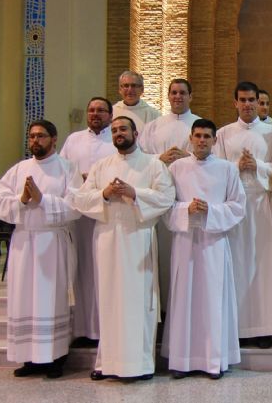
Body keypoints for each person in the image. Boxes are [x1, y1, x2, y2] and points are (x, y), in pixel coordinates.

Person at [73, 116, 175, 381]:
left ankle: (140, 364)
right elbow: (81, 199)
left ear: (136, 133)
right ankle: (107, 363)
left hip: (138, 238)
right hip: (107, 239)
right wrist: (104, 194)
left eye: (123, 129)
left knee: (138, 301)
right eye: (115, 130)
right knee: (109, 300)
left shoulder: (153, 165)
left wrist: (134, 193)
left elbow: (166, 197)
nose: (119, 133)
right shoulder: (101, 166)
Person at [0, 120, 82, 379]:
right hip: (24, 242)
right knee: (24, 299)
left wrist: (43, 201)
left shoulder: (67, 168)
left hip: (52, 242)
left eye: (41, 136)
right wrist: (21, 200)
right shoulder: (19, 169)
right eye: (31, 136)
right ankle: (29, 357)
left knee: (51, 299)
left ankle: (55, 358)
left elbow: (76, 205)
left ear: (54, 139)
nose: (35, 141)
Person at [161, 119, 246, 380]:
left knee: (213, 298)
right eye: (197, 136)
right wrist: (186, 209)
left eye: (207, 136)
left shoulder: (227, 169)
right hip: (186, 241)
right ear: (190, 138)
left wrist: (211, 210)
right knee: (184, 297)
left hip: (214, 243)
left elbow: (238, 206)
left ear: (214, 140)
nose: (201, 140)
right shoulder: (176, 168)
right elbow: (165, 205)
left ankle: (213, 360)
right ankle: (182, 361)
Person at [213, 81, 272, 349]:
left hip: (261, 203)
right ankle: (234, 325)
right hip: (234, 207)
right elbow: (215, 168)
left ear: (259, 102)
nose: (247, 104)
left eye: (251, 100)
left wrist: (257, 165)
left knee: (262, 264)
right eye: (242, 100)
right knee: (236, 264)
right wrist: (236, 166)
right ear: (234, 103)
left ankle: (264, 327)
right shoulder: (222, 134)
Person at [138, 78, 200, 314]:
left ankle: (186, 308)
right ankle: (162, 310)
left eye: (182, 92)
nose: (177, 97)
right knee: (163, 254)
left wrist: (187, 155)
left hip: (187, 196)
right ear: (168, 96)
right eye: (173, 92)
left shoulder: (198, 125)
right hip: (160, 196)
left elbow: (208, 159)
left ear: (190, 96)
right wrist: (159, 159)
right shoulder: (154, 126)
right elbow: (141, 158)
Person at [60, 97, 116, 347]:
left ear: (110, 114)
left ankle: (105, 328)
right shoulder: (74, 140)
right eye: (91, 110)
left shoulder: (115, 139)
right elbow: (62, 169)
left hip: (107, 212)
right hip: (80, 215)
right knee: (81, 270)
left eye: (101, 110)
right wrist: (77, 179)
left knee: (104, 268)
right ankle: (82, 328)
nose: (95, 114)